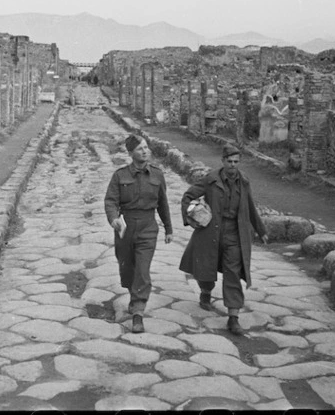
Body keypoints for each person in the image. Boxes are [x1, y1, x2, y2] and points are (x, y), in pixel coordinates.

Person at [179, 144, 268, 335]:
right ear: (223, 161)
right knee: (207, 266)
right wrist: (192, 217)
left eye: (236, 162)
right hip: (211, 230)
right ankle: (205, 293)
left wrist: (261, 230)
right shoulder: (211, 179)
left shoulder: (243, 182)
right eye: (229, 161)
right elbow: (188, 196)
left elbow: (250, 206)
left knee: (233, 273)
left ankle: (233, 317)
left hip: (235, 233)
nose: (233, 165)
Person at [105, 134, 173, 333]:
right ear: (130, 153)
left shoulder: (157, 175)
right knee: (127, 270)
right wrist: (114, 219)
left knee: (142, 270)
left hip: (148, 227)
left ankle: (138, 312)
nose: (145, 151)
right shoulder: (120, 176)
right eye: (140, 149)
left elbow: (163, 204)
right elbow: (111, 201)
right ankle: (134, 293)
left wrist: (169, 229)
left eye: (146, 147)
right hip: (125, 228)